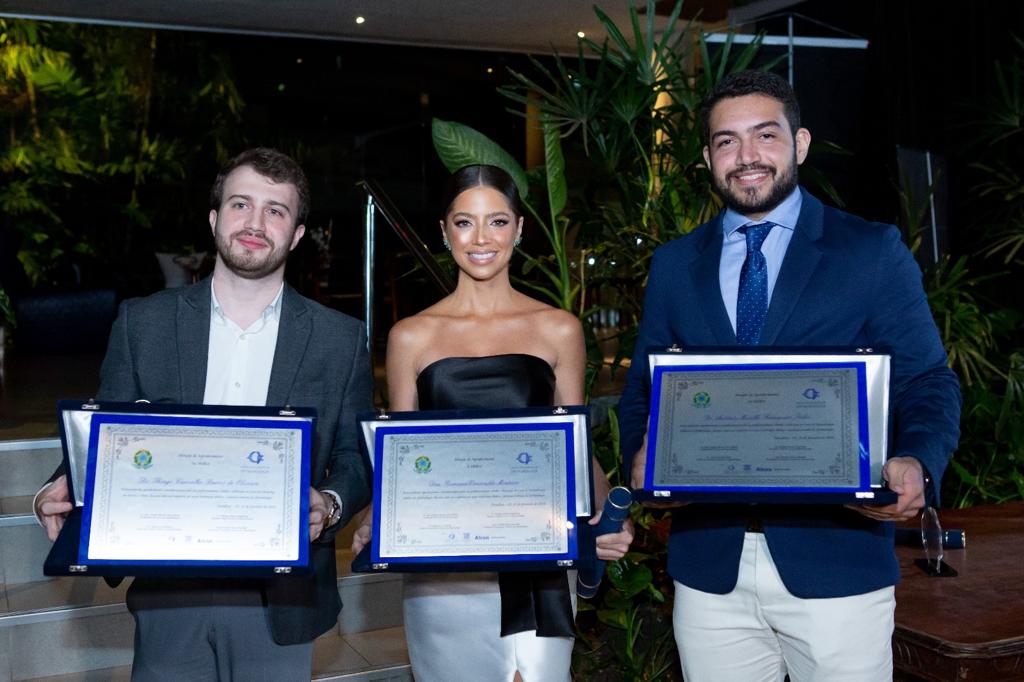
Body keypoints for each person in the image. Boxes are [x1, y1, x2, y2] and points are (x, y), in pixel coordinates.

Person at [617, 70, 961, 681]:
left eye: (765, 135)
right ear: (707, 159)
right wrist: (642, 460)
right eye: (726, 141)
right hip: (709, 570)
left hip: (838, 564)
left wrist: (917, 461)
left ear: (799, 144)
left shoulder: (870, 251)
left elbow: (928, 381)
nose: (747, 156)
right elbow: (643, 393)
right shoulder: (674, 265)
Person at [34, 148, 374, 681]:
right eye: (241, 204)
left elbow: (355, 458)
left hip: (280, 598)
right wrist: (60, 487)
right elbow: (108, 433)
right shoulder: (143, 323)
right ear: (214, 219)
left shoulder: (340, 339)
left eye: (275, 211)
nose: (255, 223)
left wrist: (329, 506)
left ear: (296, 235)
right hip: (170, 587)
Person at [351, 164, 633, 682]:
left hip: (538, 554)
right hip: (444, 567)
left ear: (519, 229)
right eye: (465, 222)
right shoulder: (411, 336)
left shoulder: (558, 328)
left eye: (497, 221)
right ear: (444, 231)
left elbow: (576, 447)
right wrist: (376, 513)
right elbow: (401, 459)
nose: (481, 238)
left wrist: (605, 512)